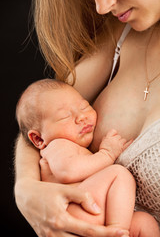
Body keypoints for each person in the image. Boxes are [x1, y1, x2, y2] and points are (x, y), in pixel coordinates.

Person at [14, 0, 160, 237]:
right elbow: (39, 120)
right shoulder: (120, 34)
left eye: (84, 106)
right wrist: (26, 190)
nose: (101, 8)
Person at [16, 78, 159, 237]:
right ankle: (117, 231)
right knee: (119, 173)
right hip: (76, 207)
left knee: (145, 222)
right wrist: (107, 154)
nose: (81, 117)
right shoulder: (57, 145)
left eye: (84, 106)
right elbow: (67, 171)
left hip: (93, 213)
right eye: (64, 116)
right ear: (38, 139)